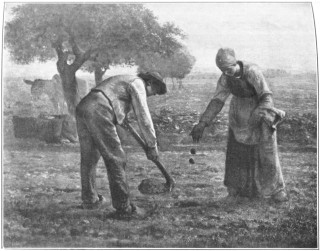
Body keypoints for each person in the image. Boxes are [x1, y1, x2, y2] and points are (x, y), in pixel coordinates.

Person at [190, 48, 288, 202]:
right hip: (238, 114)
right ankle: (235, 191)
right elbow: (217, 100)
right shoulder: (225, 78)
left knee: (266, 153)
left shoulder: (252, 72)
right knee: (237, 153)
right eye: (223, 71)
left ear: (235, 63)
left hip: (260, 110)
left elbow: (266, 96)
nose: (227, 73)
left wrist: (258, 114)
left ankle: (276, 190)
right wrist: (203, 123)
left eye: (229, 69)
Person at [76, 72, 167, 216]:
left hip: (84, 106)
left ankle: (90, 199)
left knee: (89, 157)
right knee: (116, 158)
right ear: (149, 83)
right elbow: (143, 117)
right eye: (154, 91)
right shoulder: (138, 83)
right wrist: (152, 146)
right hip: (99, 109)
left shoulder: (126, 80)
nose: (152, 95)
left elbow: (111, 98)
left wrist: (120, 117)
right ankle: (123, 207)